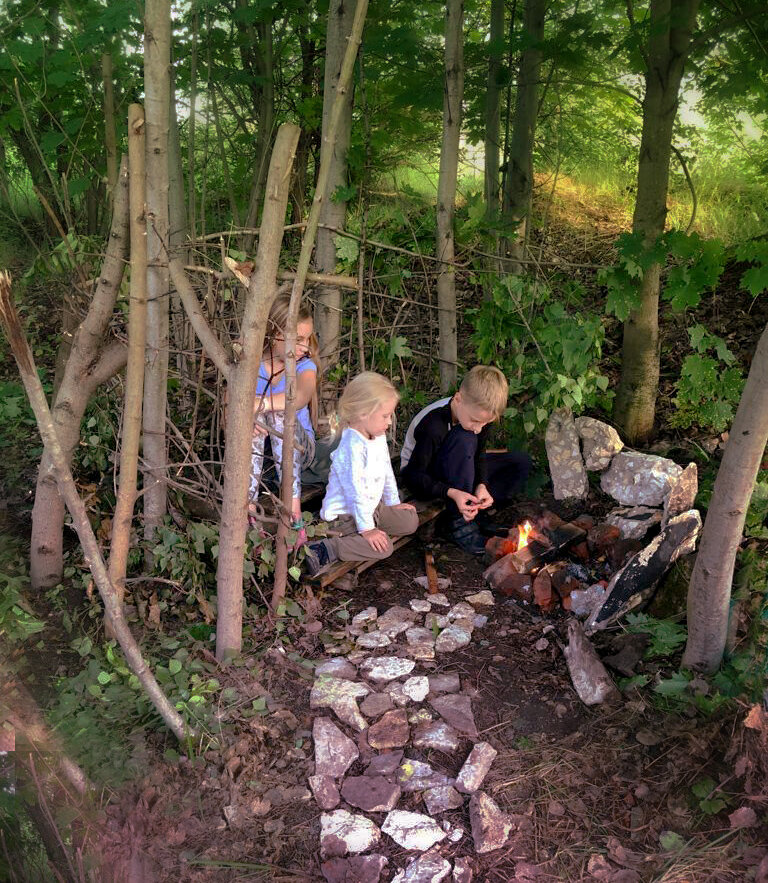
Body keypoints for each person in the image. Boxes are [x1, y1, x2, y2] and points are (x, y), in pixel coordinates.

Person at [400, 365, 531, 556]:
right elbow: (412, 476)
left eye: (485, 423)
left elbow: (479, 455)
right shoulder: (433, 425)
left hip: (459, 466)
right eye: (475, 421)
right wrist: (452, 492)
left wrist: (482, 485)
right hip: (425, 478)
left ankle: (476, 511)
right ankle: (457, 524)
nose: (479, 428)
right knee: (465, 437)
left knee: (519, 463)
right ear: (458, 399)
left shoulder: (478, 416)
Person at [304, 372, 419, 576]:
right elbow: (356, 492)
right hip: (345, 517)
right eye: (385, 416)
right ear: (364, 413)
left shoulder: (377, 436)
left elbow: (385, 470)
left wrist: (392, 503)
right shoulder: (351, 447)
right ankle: (327, 548)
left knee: (410, 520)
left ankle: (370, 529)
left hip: (371, 507)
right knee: (384, 549)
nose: (389, 422)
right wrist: (367, 529)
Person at [248, 293, 321, 526]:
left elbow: (299, 397)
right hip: (264, 458)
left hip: (301, 449)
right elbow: (230, 412)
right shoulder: (252, 366)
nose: (304, 347)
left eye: (307, 339)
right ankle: (248, 507)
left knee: (279, 411)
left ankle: (293, 507)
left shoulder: (304, 366)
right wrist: (247, 417)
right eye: (298, 339)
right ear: (273, 334)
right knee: (253, 418)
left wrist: (260, 404)